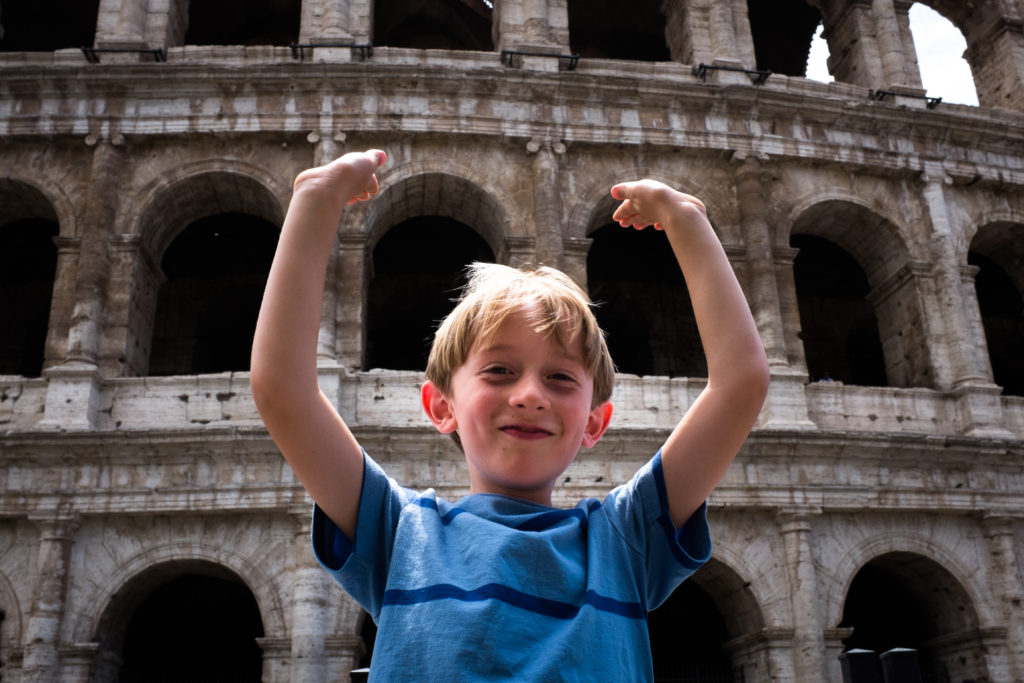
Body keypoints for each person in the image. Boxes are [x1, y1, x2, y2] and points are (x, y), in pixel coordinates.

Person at [251, 149, 770, 681]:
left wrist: (687, 221)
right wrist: (314, 204)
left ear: (595, 422)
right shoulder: (400, 533)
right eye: (499, 371)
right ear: (441, 406)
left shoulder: (625, 538)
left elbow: (740, 384)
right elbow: (283, 388)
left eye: (560, 378)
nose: (529, 395)